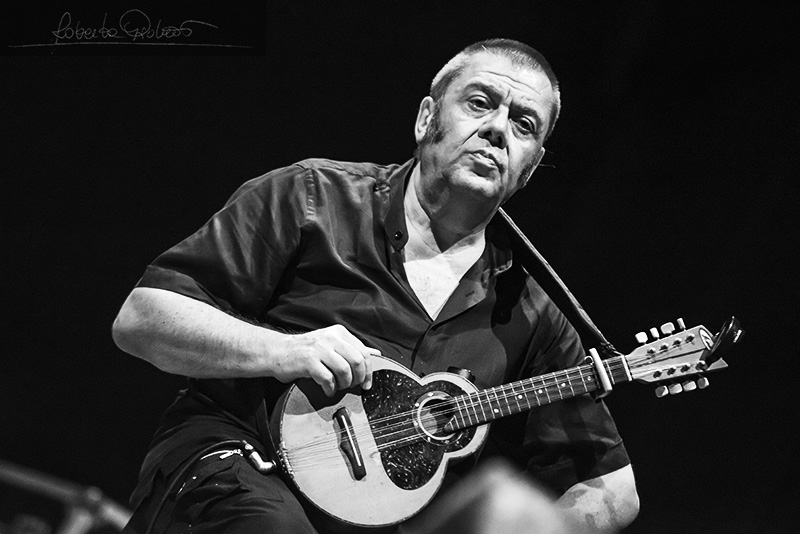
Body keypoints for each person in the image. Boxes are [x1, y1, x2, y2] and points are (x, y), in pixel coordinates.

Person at [112, 38, 639, 533]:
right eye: (480, 103)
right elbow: (142, 319)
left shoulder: (534, 311)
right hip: (239, 466)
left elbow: (613, 491)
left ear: (530, 169)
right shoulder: (311, 197)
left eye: (524, 125)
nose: (498, 129)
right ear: (426, 118)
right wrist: (282, 350)